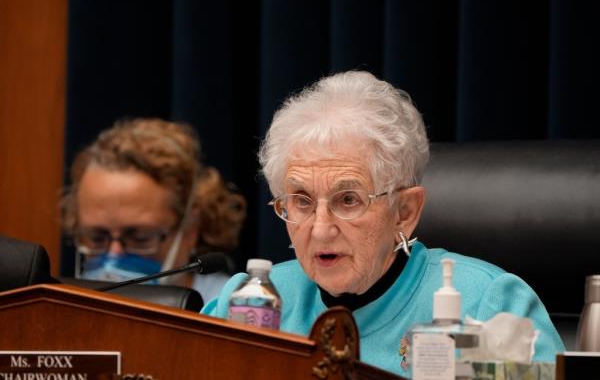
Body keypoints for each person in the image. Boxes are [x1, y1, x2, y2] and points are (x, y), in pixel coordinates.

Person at [201, 71, 564, 376]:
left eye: (348, 200)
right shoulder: (253, 302)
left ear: (404, 211)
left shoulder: (486, 304)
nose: (320, 228)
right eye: (301, 201)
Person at [61, 118, 246, 303]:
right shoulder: (57, 311)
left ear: (191, 228)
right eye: (96, 238)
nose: (113, 256)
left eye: (140, 238)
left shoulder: (232, 312)